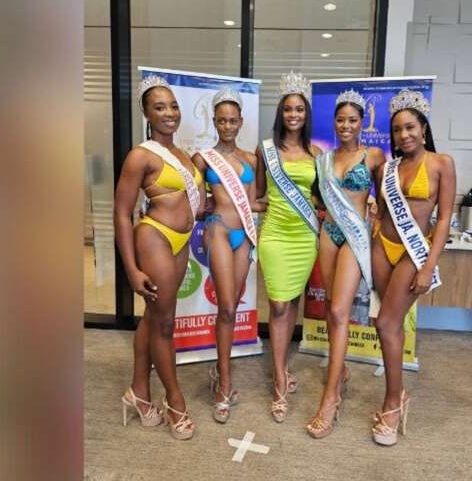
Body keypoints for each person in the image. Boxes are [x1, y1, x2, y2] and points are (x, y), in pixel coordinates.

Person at [114, 75, 206, 440]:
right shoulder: (140, 155)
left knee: (154, 317)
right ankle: (175, 401)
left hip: (182, 241)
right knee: (165, 323)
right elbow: (122, 213)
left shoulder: (182, 154)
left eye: (173, 106)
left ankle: (138, 391)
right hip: (154, 237)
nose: (169, 113)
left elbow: (193, 201)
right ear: (146, 113)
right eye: (160, 107)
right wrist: (132, 270)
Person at [371, 88, 456, 446]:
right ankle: (396, 394)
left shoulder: (441, 163)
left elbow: (445, 216)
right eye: (397, 130)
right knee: (385, 323)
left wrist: (428, 266)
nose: (403, 135)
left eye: (410, 127)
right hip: (381, 246)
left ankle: (393, 402)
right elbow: (381, 209)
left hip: (413, 250)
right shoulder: (387, 168)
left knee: (388, 321)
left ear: (423, 127)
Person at [306, 89, 386, 438]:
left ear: (362, 123)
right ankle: (341, 372)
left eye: (353, 120)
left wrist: (375, 218)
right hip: (328, 233)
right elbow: (315, 194)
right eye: (340, 120)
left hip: (355, 237)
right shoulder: (322, 160)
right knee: (329, 308)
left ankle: (330, 397)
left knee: (339, 311)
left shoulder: (374, 156)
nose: (346, 125)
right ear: (334, 122)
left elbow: (386, 197)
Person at [191, 88, 265, 423]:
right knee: (224, 307)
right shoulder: (203, 158)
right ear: (214, 121)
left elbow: (252, 202)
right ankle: (224, 382)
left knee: (232, 308)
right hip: (219, 229)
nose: (227, 125)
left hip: (244, 235)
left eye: (233, 120)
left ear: (241, 122)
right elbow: (193, 203)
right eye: (222, 120)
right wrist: (200, 209)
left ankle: (222, 373)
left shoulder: (251, 159)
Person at [255, 71, 322, 423]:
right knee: (278, 303)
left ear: (306, 114)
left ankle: (281, 367)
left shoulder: (317, 152)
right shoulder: (265, 150)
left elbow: (318, 197)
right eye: (288, 109)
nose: (293, 115)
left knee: (291, 301)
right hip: (277, 235)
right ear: (280, 114)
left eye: (299, 110)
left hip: (304, 237)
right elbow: (259, 197)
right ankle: (280, 379)